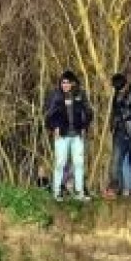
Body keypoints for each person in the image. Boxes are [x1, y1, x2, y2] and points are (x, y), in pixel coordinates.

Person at [44, 71, 93, 201]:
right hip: (62, 136)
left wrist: (84, 127)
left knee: (79, 163)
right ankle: (57, 191)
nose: (65, 85)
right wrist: (54, 127)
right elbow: (48, 115)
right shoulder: (55, 96)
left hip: (77, 135)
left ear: (72, 83)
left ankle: (79, 192)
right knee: (60, 163)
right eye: (63, 82)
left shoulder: (80, 95)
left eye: (67, 82)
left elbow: (88, 112)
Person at [106, 73, 131, 200]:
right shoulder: (116, 96)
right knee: (115, 162)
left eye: (122, 87)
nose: (120, 89)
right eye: (118, 88)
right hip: (120, 133)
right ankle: (113, 188)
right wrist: (112, 127)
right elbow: (114, 113)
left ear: (126, 83)